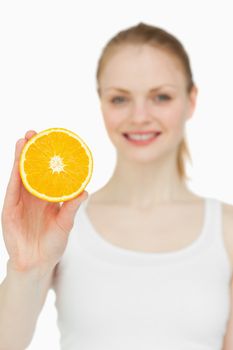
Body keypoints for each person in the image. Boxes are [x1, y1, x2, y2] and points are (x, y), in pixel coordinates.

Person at [1, 22, 233, 350]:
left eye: (161, 96)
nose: (139, 116)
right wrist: (26, 267)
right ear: (101, 103)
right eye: (120, 99)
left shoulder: (227, 231)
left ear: (191, 100)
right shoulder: (63, 226)